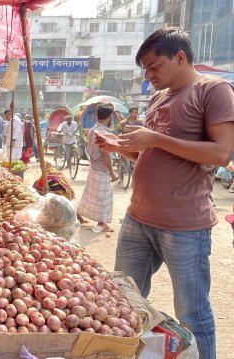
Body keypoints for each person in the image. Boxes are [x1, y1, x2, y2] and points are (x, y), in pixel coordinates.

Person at [97, 28, 234, 359]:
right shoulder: (158, 98)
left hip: (184, 226)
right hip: (138, 219)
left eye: (154, 65)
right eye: (144, 68)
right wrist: (121, 149)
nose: (148, 75)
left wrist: (154, 140)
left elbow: (220, 155)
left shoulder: (213, 90)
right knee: (123, 298)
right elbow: (153, 155)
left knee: (192, 313)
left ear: (180, 57)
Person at [76, 103, 118, 233]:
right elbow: (105, 155)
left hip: (94, 167)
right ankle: (102, 223)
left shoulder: (93, 129)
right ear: (110, 116)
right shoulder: (102, 132)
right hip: (102, 169)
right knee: (103, 198)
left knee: (90, 194)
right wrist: (112, 173)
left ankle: (79, 213)